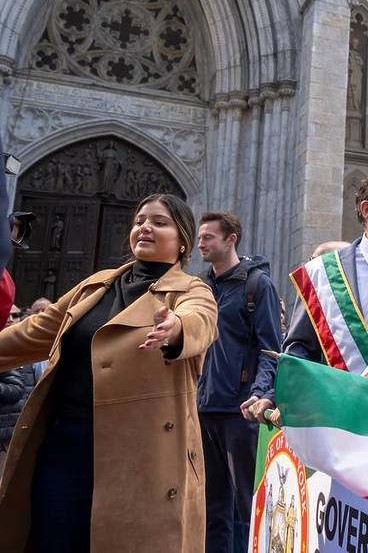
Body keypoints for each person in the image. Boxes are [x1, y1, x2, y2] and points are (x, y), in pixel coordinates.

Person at [0, 193, 218, 551]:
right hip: (65, 444)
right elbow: (32, 333)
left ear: (183, 242)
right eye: (139, 221)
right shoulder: (96, 285)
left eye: (159, 222)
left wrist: (176, 327)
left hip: (141, 456)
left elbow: (201, 321)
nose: (145, 227)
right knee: (50, 539)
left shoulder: (191, 291)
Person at [243, 169, 368, 424]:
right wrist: (283, 395)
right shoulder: (323, 272)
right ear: (367, 209)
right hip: (341, 416)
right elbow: (300, 348)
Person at [197, 211, 282, 553]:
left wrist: (260, 393)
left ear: (231, 239)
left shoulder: (257, 285)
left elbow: (269, 349)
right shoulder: (200, 286)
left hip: (240, 411)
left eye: (208, 238)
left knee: (248, 504)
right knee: (211, 504)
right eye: (200, 237)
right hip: (204, 408)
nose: (200, 244)